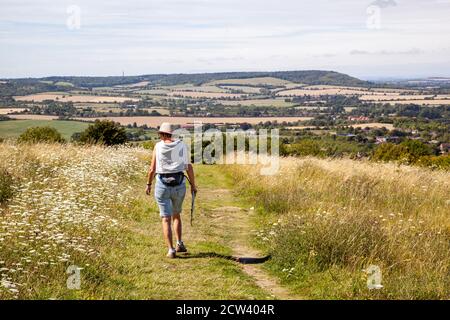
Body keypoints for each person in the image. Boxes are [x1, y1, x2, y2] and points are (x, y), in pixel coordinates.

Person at [146, 122, 197, 258]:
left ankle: (171, 250)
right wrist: (193, 185)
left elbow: (152, 169)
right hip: (179, 184)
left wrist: (148, 184)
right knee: (176, 215)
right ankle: (179, 243)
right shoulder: (181, 145)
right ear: (171, 133)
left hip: (162, 184)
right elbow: (188, 167)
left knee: (165, 218)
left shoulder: (158, 146)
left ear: (161, 134)